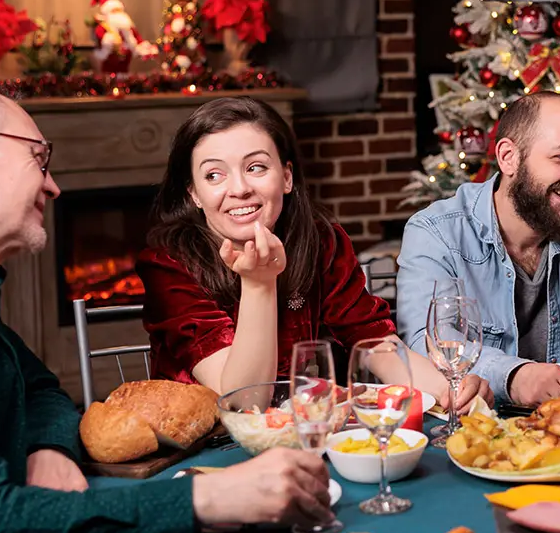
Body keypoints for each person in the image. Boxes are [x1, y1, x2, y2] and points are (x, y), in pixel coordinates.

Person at [0, 80, 334, 533]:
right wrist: (210, 500)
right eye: (40, 158)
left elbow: (41, 389)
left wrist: (49, 449)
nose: (52, 185)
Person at [137, 97, 491, 411]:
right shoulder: (169, 263)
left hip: (308, 432)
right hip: (208, 453)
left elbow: (372, 341)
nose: (240, 189)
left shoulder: (319, 239)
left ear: (287, 177)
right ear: (194, 194)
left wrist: (449, 389)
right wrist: (259, 283)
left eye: (256, 167)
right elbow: (245, 402)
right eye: (214, 175)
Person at [395, 92, 560, 405]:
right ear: (508, 157)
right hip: (476, 426)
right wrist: (515, 376)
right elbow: (425, 343)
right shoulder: (435, 232)